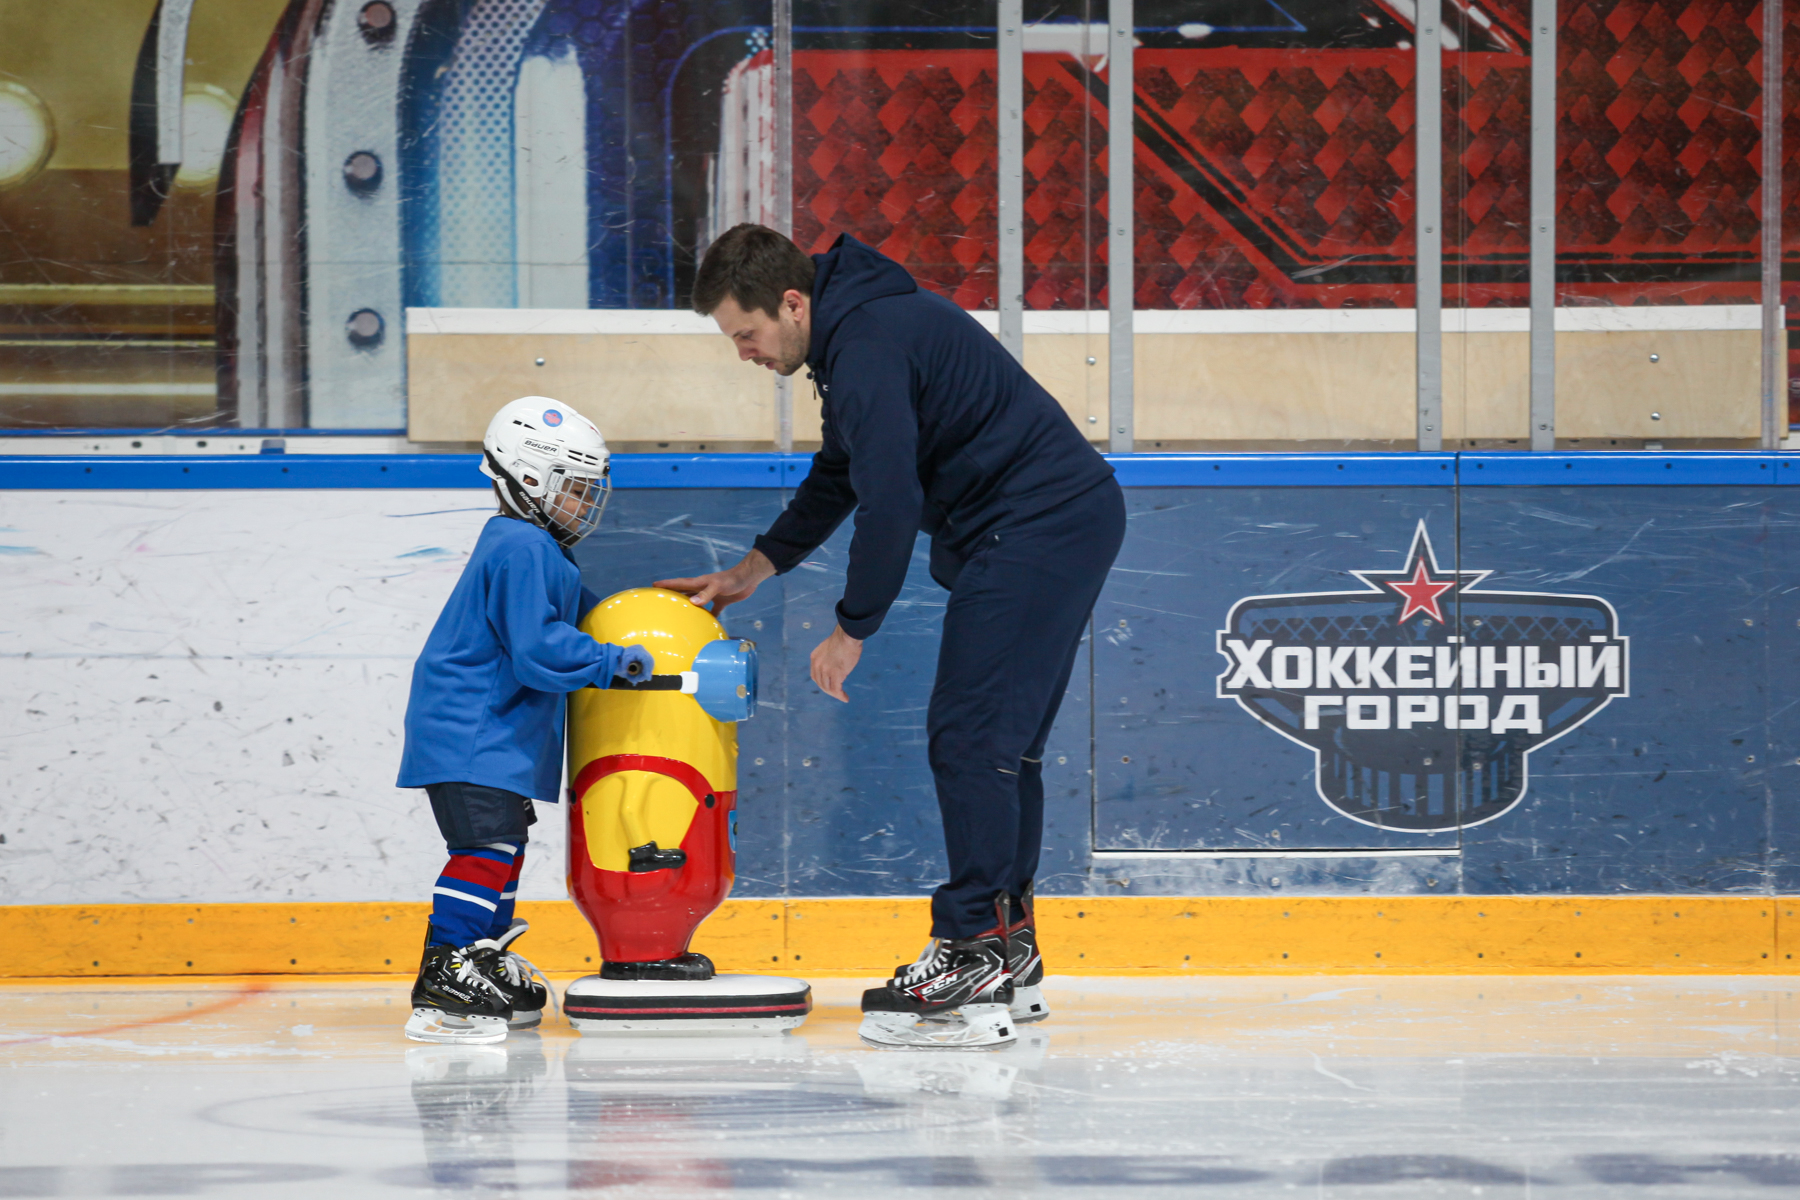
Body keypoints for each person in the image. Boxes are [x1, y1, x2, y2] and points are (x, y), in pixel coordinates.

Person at [657, 226, 1126, 1049]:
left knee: (971, 737)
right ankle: (1006, 950)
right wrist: (752, 570)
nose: (745, 353)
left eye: (748, 333)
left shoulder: (867, 343)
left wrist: (852, 626)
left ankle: (972, 949)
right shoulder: (860, 335)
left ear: (793, 302)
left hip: (1035, 526)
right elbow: (842, 472)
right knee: (1001, 748)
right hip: (1062, 520)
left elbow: (889, 502)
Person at [397, 396, 654, 1045]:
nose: (584, 503)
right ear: (531, 479)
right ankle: (446, 966)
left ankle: (479, 959)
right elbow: (540, 649)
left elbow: (591, 620)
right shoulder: (521, 546)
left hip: (490, 738)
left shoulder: (537, 548)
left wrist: (650, 619)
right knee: (484, 851)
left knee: (504, 852)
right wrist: (613, 662)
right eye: (574, 488)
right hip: (472, 733)